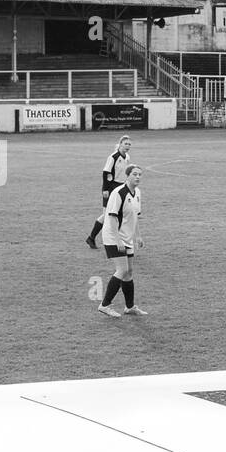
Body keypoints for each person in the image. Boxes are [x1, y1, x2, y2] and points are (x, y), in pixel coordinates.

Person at [97, 164, 146, 317]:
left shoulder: (137, 192)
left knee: (129, 272)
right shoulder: (118, 193)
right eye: (134, 174)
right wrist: (118, 240)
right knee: (122, 269)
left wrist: (137, 235)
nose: (137, 177)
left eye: (139, 174)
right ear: (127, 176)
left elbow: (135, 216)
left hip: (127, 237)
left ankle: (129, 307)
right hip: (113, 236)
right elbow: (111, 217)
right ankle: (104, 305)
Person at [86, 135, 132, 248]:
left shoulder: (127, 157)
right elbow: (106, 173)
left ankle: (93, 238)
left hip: (121, 187)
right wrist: (105, 189)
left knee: (117, 214)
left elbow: (126, 173)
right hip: (111, 187)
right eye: (125, 143)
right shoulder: (113, 157)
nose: (128, 146)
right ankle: (94, 238)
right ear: (120, 144)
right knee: (108, 216)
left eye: (129, 144)